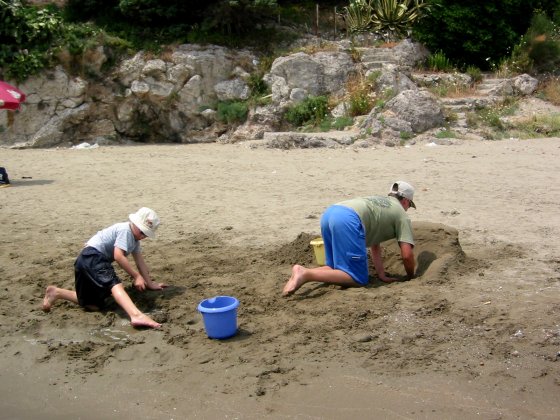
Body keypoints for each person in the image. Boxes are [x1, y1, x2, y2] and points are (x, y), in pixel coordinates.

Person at [283, 181, 416, 296]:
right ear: (405, 201)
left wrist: (381, 274)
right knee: (358, 278)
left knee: (335, 268)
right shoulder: (401, 215)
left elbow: (375, 244)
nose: (407, 209)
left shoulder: (381, 204)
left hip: (331, 213)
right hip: (348, 219)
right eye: (409, 205)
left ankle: (301, 272)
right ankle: (306, 274)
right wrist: (411, 277)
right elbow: (407, 255)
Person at [42, 207, 167, 329]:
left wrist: (149, 283)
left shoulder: (135, 240)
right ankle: (136, 315)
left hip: (84, 260)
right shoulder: (126, 230)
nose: (142, 236)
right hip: (93, 256)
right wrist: (136, 276)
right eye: (141, 231)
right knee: (115, 284)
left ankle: (56, 292)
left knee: (93, 304)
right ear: (133, 223)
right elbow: (118, 256)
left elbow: (140, 262)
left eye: (146, 234)